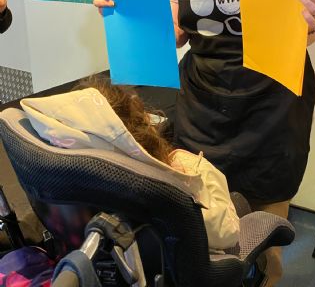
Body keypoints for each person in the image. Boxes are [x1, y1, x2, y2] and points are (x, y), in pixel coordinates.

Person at [93, 0, 315, 285]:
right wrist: (127, 18)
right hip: (203, 100)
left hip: (270, 106)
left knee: (263, 234)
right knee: (203, 217)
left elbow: (305, 32)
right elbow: (177, 31)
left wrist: (314, 18)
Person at [20, 77, 240, 252]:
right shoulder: (162, 185)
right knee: (241, 202)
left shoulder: (66, 171)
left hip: (103, 256)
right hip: (180, 261)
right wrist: (202, 171)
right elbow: (226, 233)